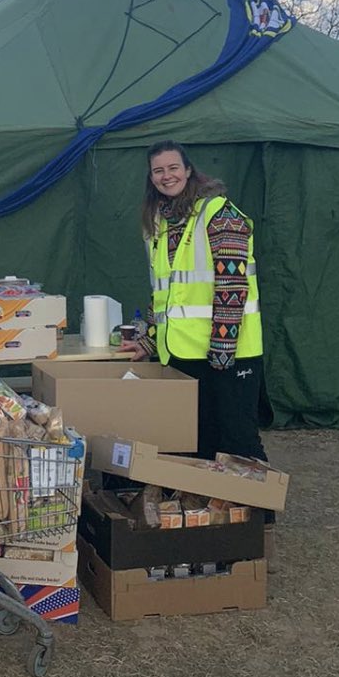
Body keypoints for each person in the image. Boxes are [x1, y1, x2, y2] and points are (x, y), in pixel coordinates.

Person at [121, 139, 267, 463]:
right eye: (158, 171)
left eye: (173, 167)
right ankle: (211, 510)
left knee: (238, 439)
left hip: (228, 354)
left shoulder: (219, 213)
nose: (166, 176)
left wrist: (223, 350)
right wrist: (149, 340)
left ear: (188, 170)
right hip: (184, 353)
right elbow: (166, 295)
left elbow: (233, 286)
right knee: (198, 438)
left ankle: (260, 511)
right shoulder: (160, 222)